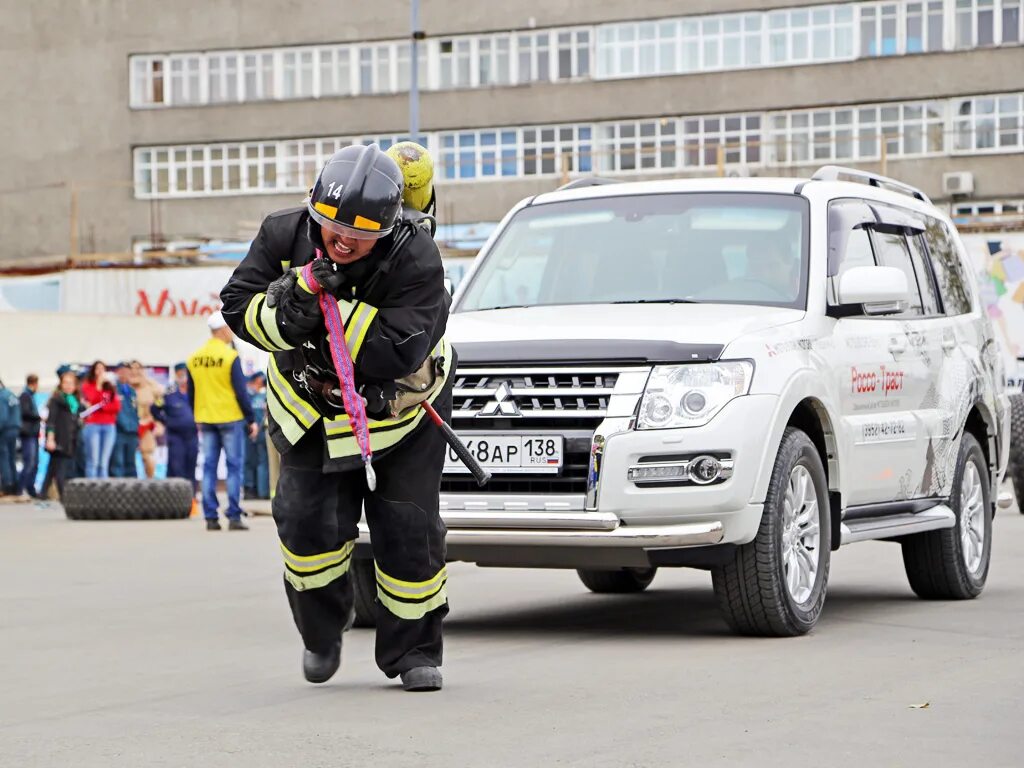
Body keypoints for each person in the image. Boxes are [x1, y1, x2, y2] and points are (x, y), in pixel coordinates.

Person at [219, 142, 453, 692]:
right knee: (306, 529)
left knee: (407, 531)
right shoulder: (283, 233)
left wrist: (329, 315)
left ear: (390, 228)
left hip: (400, 418)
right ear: (313, 211)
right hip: (308, 414)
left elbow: (400, 348)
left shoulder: (416, 258)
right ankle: (322, 633)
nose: (344, 241)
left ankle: (413, 651)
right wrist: (296, 297)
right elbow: (239, 308)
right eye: (332, 228)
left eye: (362, 235)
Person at [186, 311, 257, 531]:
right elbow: (241, 392)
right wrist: (251, 419)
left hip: (206, 418)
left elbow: (191, 393)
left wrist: (196, 414)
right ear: (224, 330)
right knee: (234, 467)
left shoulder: (194, 358)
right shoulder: (229, 357)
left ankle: (211, 517)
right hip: (230, 417)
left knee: (208, 467)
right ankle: (234, 515)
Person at [152, 363, 198, 492]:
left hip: (192, 435)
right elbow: (155, 408)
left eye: (185, 373)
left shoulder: (195, 393)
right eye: (180, 373)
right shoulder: (169, 393)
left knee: (191, 467)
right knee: (176, 468)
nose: (184, 376)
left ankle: (191, 498)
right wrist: (165, 421)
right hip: (175, 436)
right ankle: (176, 497)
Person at [42, 367, 81, 500]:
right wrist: (50, 439)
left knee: (52, 468)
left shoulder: (74, 402)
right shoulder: (56, 400)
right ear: (61, 384)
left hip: (70, 439)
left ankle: (42, 494)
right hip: (59, 439)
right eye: (66, 383)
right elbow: (50, 421)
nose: (69, 386)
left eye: (71, 383)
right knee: (60, 470)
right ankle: (64, 497)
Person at [79, 361, 121, 478]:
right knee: (93, 461)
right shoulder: (87, 386)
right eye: (98, 369)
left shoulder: (110, 388)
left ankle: (103, 492)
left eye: (103, 369)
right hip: (93, 425)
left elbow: (116, 407)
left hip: (109, 426)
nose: (100, 371)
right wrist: (98, 386)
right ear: (93, 370)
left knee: (104, 463)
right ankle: (91, 491)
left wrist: (103, 407)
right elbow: (92, 400)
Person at [131, 361, 165, 479]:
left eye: (138, 368)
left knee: (147, 455)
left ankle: (150, 482)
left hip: (146, 425)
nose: (135, 371)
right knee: (128, 458)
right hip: (128, 426)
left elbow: (161, 403)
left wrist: (159, 423)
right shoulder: (125, 386)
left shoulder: (152, 386)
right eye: (132, 368)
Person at [110, 362, 140, 478]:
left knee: (131, 463)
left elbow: (135, 412)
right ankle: (117, 492)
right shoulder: (113, 390)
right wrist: (124, 424)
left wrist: (136, 430)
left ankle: (132, 492)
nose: (125, 374)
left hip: (132, 433)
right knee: (117, 463)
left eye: (127, 371)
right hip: (119, 432)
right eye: (122, 371)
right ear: (117, 373)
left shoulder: (131, 391)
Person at [243, 372, 270, 499]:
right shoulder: (265, 396)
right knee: (264, 463)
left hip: (253, 434)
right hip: (265, 432)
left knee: (258, 463)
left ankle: (259, 491)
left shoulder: (252, 398)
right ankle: (264, 491)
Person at [18, 374, 42, 499]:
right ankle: (20, 488)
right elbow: (25, 412)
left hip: (33, 433)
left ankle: (30, 488)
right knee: (30, 462)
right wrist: (39, 416)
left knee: (35, 462)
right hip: (28, 434)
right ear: (34, 383)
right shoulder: (25, 396)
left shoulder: (29, 396)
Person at [0, 378, 21, 498]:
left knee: (4, 458)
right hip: (14, 428)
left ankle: (7, 486)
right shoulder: (10, 394)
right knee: (12, 458)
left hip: (5, 430)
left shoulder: (1, 397)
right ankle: (15, 486)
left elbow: (2, 417)